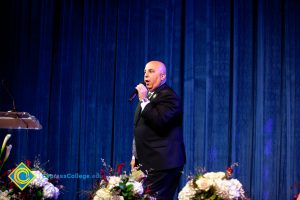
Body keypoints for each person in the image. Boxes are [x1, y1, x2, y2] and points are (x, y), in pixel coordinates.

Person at [131, 60, 186, 199]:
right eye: (145, 72)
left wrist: (143, 100)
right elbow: (139, 127)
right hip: (148, 163)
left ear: (162, 76)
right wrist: (134, 156)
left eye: (151, 71)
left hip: (163, 164)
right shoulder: (148, 97)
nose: (146, 76)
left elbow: (159, 121)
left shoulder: (168, 96)